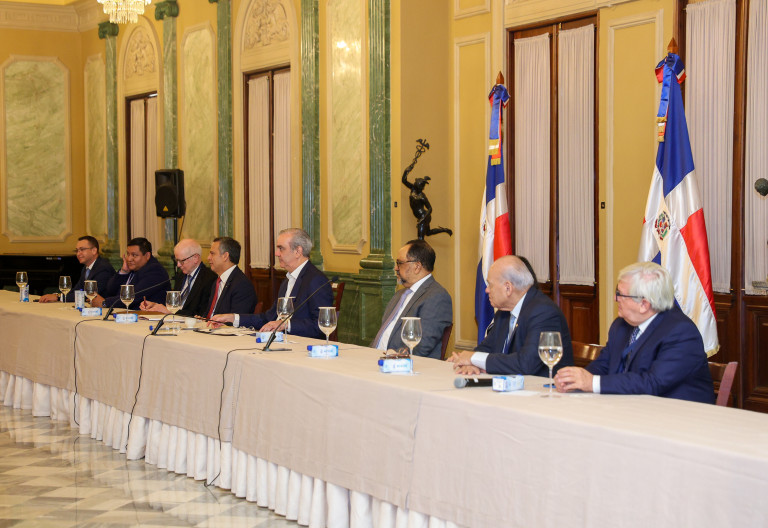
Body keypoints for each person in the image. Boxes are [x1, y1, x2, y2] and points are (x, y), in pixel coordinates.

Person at [554, 262, 715, 404]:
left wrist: (592, 383)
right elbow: (604, 364)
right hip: (631, 408)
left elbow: (653, 383)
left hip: (679, 417)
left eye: (620, 294)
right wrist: (575, 379)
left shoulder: (680, 332)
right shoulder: (621, 325)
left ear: (644, 304)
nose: (615, 298)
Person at [448, 255, 573, 376]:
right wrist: (471, 362)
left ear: (508, 288)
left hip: (543, 387)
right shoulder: (504, 312)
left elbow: (526, 363)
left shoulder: (543, 312)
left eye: (490, 285)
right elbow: (486, 348)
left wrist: (473, 358)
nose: (487, 290)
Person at [211, 228, 332, 338]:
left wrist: (286, 325)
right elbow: (268, 318)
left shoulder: (316, 280)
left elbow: (321, 325)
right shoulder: (287, 280)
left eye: (281, 248)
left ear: (298, 251)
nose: (276, 253)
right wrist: (233, 318)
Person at [371, 239, 452, 359]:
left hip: (403, 364)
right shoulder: (399, 294)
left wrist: (392, 357)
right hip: (376, 357)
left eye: (399, 263)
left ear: (417, 267)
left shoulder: (437, 296)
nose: (396, 268)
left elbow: (422, 346)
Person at [139, 239, 217, 317]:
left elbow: (201, 314)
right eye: (177, 260)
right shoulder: (181, 276)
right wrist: (155, 305)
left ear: (195, 258)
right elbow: (174, 306)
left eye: (182, 261)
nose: (178, 265)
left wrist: (170, 311)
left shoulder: (210, 279)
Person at [91, 237, 170, 310]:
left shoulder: (155, 270)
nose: (129, 259)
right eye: (128, 254)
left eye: (134, 255)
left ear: (147, 255)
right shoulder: (132, 268)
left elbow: (134, 296)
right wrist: (123, 271)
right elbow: (110, 290)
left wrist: (105, 303)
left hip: (146, 316)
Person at [39, 236, 115, 303]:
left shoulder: (103, 268)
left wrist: (58, 297)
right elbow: (77, 290)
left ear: (94, 251)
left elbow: (89, 295)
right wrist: (57, 295)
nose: (78, 254)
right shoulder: (86, 268)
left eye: (82, 249)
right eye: (77, 250)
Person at [204, 237, 257, 317]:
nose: (208, 258)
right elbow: (210, 313)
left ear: (225, 256)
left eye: (212, 253)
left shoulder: (242, 285)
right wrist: (201, 320)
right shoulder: (217, 282)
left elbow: (236, 320)